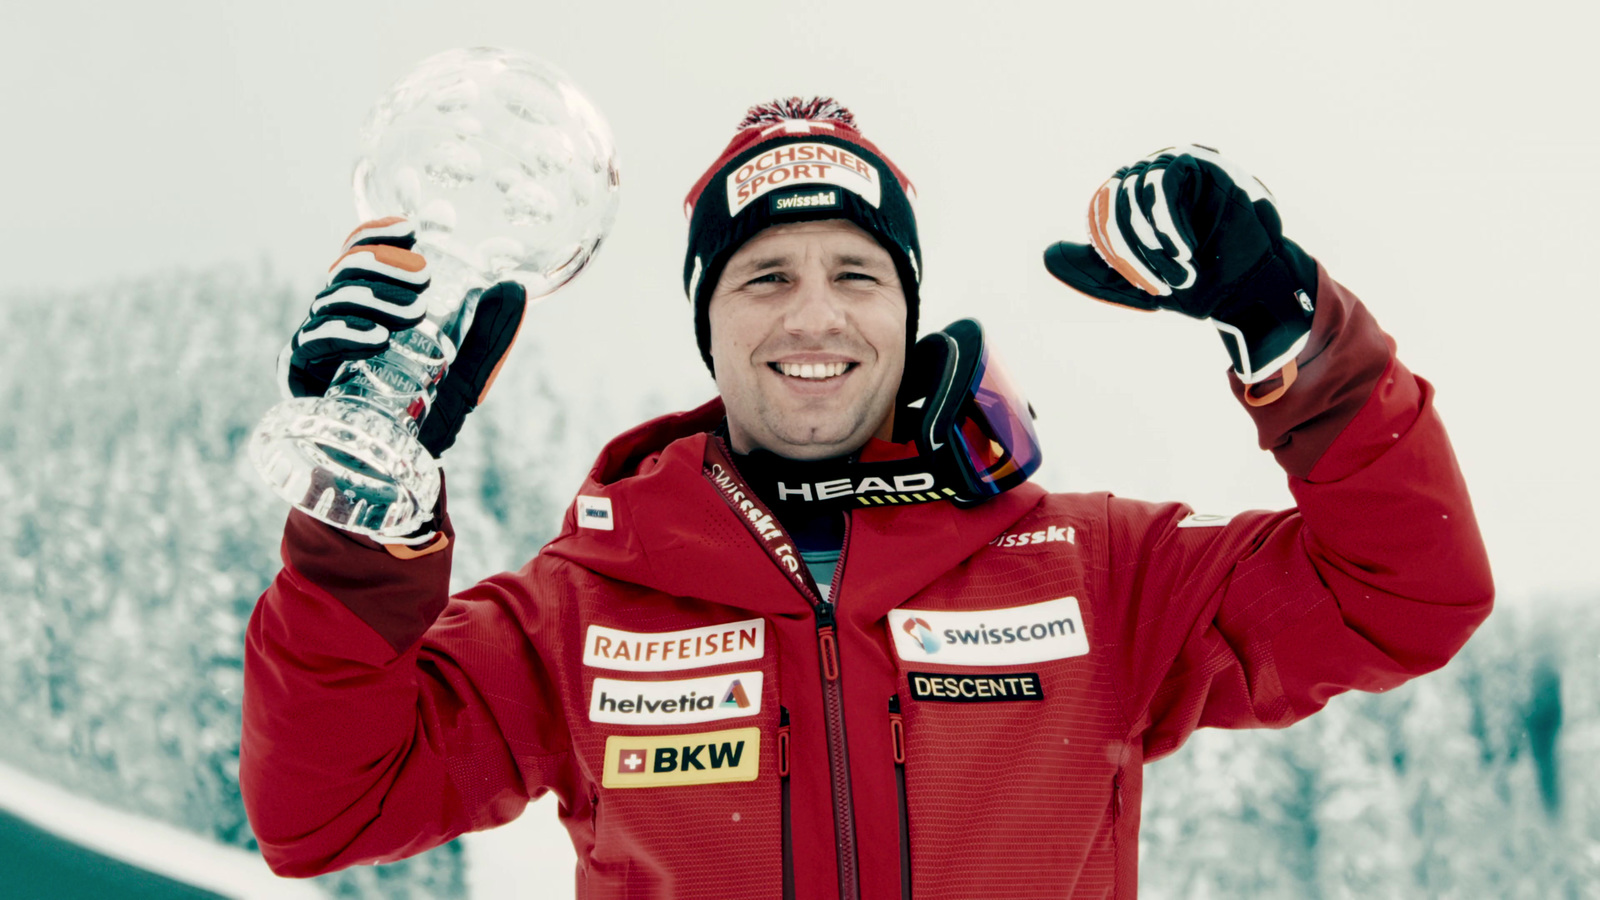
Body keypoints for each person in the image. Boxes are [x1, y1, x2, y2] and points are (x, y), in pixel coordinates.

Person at [241, 97, 1494, 899]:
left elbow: (1409, 595)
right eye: (764, 276)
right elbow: (324, 808)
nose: (815, 314)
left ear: (906, 309)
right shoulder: (582, 613)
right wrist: (360, 515)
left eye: (856, 270)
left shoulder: (1094, 572)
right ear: (708, 328)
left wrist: (1288, 333)